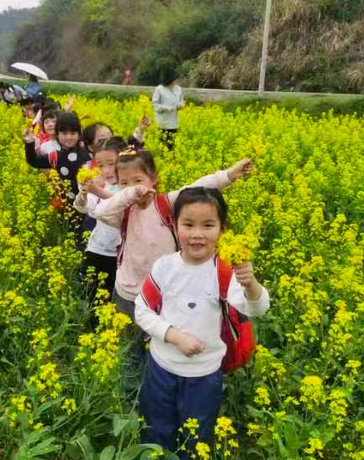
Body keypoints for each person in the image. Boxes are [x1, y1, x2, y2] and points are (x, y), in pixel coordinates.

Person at [135, 187, 270, 454]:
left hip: (205, 374)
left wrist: (250, 283)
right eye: (188, 224)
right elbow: (142, 310)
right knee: (155, 428)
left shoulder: (225, 272)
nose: (197, 234)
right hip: (161, 367)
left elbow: (257, 309)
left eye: (208, 225)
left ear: (222, 229)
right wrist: (174, 335)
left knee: (197, 435)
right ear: (175, 226)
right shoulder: (165, 266)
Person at [88, 149, 253, 319]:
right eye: (124, 183)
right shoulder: (123, 210)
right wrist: (128, 195)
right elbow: (100, 212)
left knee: (163, 339)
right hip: (129, 291)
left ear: (153, 179)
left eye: (138, 181)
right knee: (128, 343)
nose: (133, 187)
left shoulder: (166, 203)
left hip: (165, 290)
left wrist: (230, 174)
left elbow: (197, 186)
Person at [23, 111, 91, 245]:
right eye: (64, 133)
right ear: (58, 135)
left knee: (86, 235)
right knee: (69, 235)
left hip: (88, 204)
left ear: (79, 134)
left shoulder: (87, 154)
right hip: (65, 205)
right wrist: (29, 143)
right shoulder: (55, 156)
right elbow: (34, 161)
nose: (69, 137)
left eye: (73, 133)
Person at [74, 136, 127, 306]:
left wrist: (97, 190)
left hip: (121, 253)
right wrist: (83, 194)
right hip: (97, 248)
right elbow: (83, 207)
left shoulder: (130, 186)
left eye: (111, 164)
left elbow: (122, 201)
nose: (106, 171)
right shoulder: (102, 185)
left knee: (116, 296)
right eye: (101, 165)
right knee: (94, 294)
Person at [152, 68, 184, 151]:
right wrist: (169, 108)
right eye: (173, 80)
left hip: (174, 123)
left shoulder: (178, 89)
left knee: (171, 147)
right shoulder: (159, 89)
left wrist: (181, 105)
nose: (175, 82)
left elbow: (181, 100)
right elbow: (155, 106)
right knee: (162, 147)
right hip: (162, 124)